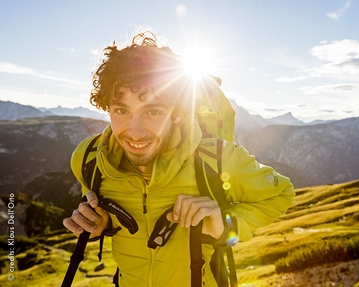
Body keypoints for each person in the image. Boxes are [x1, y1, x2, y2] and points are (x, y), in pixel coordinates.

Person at [63, 30, 295, 287]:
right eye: (121, 110)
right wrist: (101, 223)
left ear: (176, 112)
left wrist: (223, 226)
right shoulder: (89, 159)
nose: (135, 131)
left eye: (152, 110)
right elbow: (104, 213)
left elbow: (281, 193)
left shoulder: (217, 159)